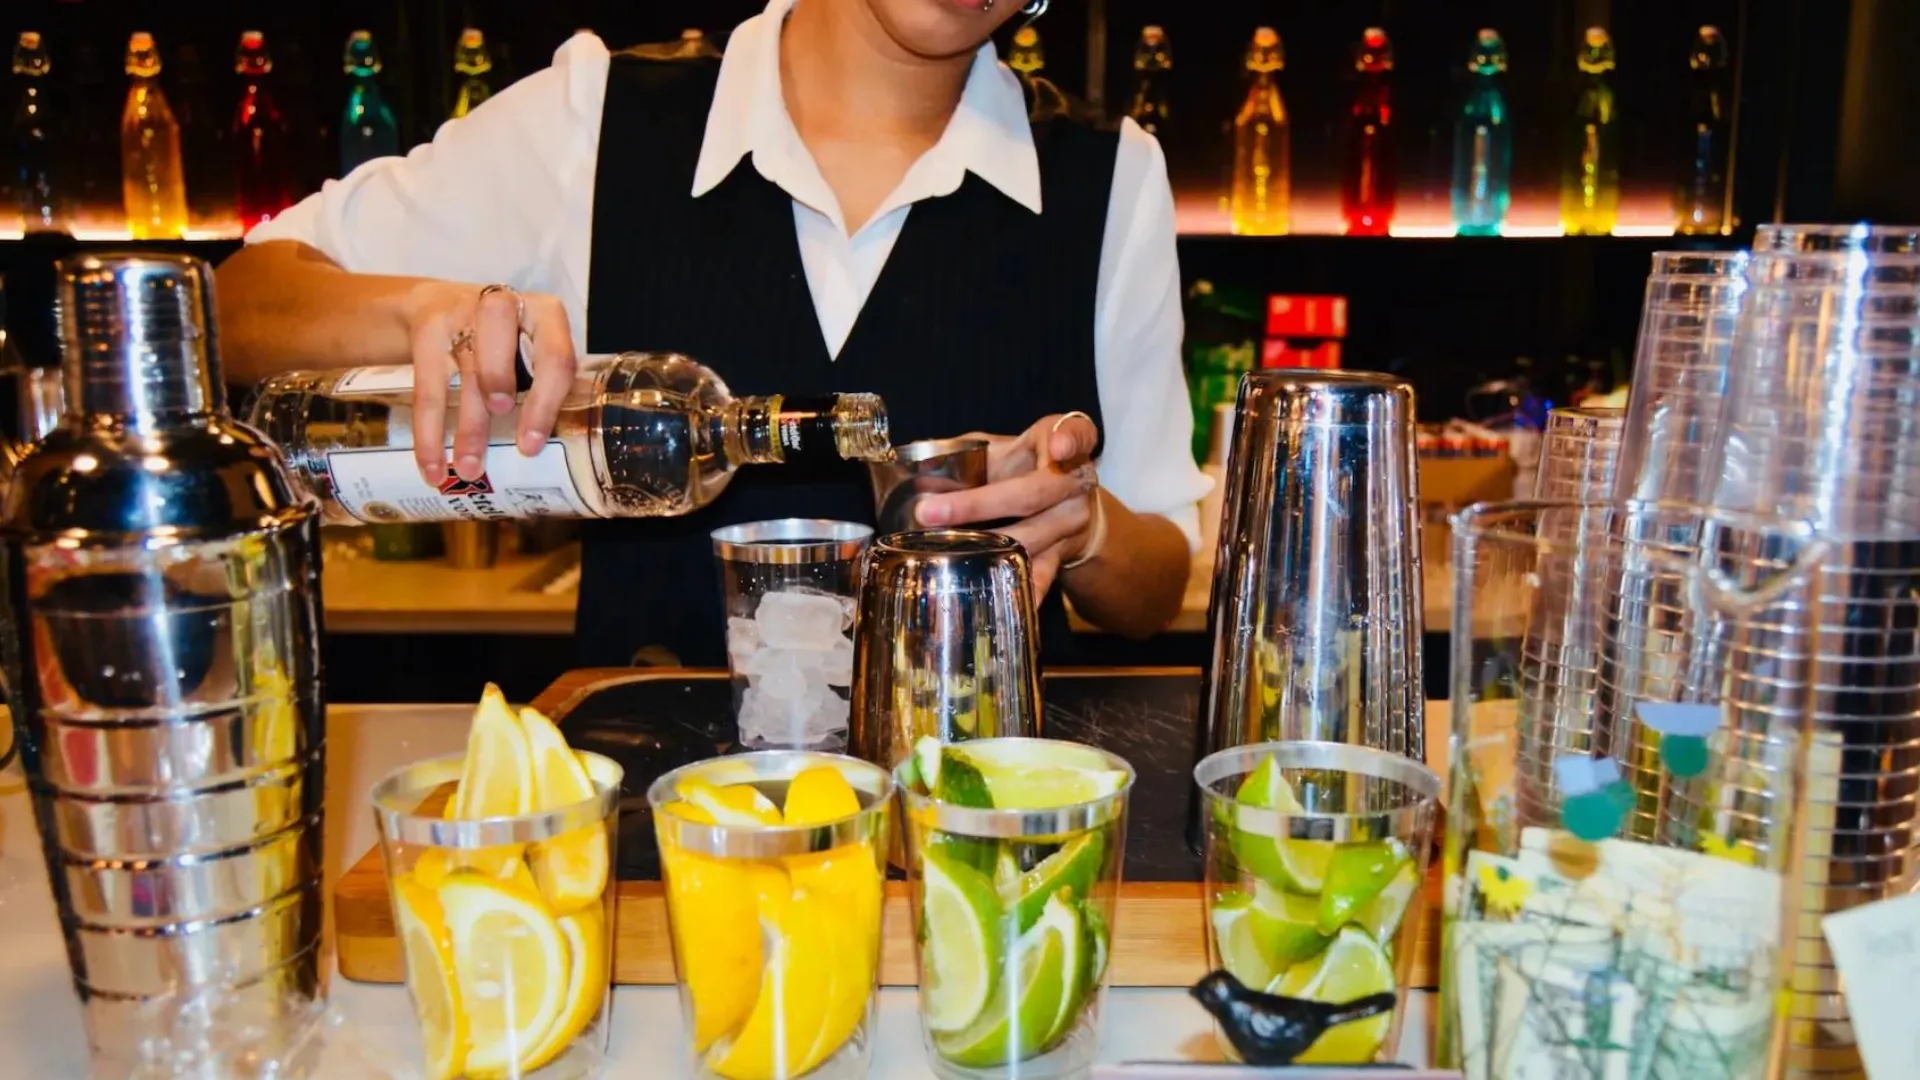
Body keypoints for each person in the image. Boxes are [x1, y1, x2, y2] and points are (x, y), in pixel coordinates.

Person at [216, 0, 1209, 668]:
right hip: (662, 856)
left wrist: (1084, 524)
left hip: (966, 855)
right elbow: (237, 307)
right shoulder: (595, 119)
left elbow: (1159, 581)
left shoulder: (1109, 177)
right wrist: (418, 308)